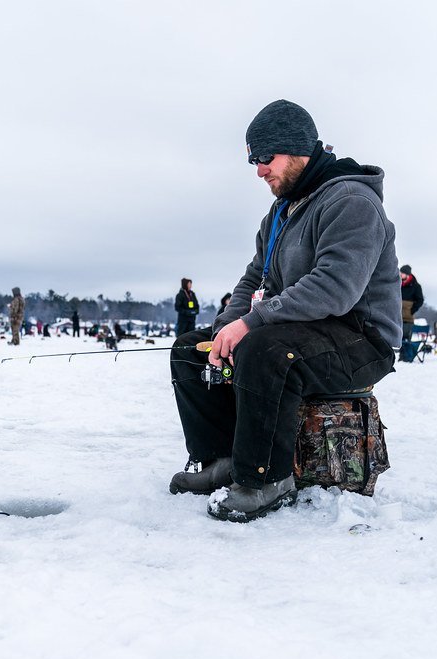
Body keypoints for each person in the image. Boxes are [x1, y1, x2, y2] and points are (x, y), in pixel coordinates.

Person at [169, 99, 401, 522]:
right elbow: (253, 280)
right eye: (253, 160)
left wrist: (252, 324)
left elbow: (335, 288)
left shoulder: (351, 202)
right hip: (304, 330)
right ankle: (219, 460)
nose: (259, 170)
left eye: (265, 157)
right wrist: (226, 329)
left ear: (297, 149)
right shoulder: (280, 213)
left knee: (265, 349)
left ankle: (265, 480)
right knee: (192, 348)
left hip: (361, 338)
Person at [399, 264, 424, 342]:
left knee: (406, 340)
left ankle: (406, 354)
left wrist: (412, 310)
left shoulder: (416, 286)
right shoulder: (397, 284)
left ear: (407, 274)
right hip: (397, 317)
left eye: (402, 273)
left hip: (408, 319)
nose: (400, 275)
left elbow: (420, 300)